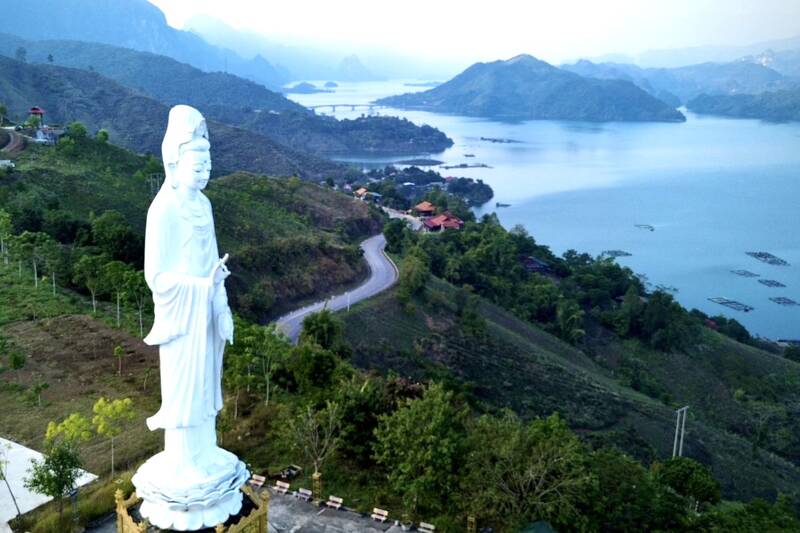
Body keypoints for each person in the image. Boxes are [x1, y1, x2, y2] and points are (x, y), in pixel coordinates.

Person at [132, 105, 247, 531]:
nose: (204, 172)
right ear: (175, 162)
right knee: (185, 393)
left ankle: (204, 453)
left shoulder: (206, 206)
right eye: (197, 164)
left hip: (205, 317)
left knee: (205, 389)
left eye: (209, 164)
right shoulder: (162, 211)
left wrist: (221, 305)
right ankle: (184, 460)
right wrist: (200, 289)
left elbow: (215, 265)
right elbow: (155, 275)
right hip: (181, 323)